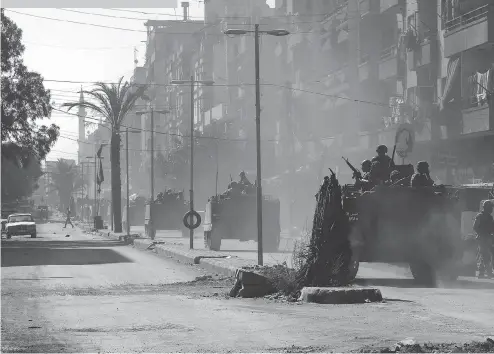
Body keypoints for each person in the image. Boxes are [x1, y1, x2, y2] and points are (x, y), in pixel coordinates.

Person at [473, 200, 494, 279]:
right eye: (490, 207)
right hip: (482, 239)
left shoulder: (490, 217)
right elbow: (475, 227)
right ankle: (488, 272)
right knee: (485, 255)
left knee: (485, 255)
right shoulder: (480, 216)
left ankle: (481, 272)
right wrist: (482, 234)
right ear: (486, 207)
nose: (491, 209)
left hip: (488, 238)